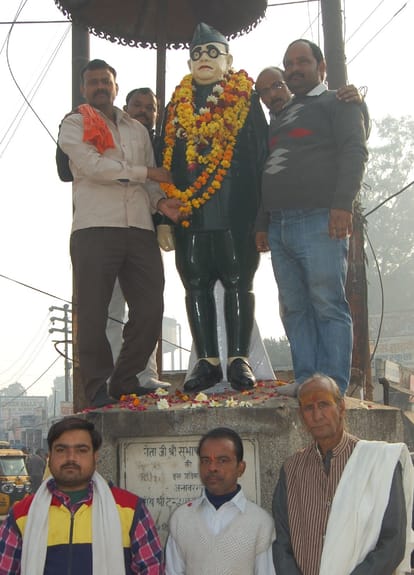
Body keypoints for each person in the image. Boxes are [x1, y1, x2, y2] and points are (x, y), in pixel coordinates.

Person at [58, 59, 181, 407]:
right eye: (93, 82)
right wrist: (147, 174)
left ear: (115, 87)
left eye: (105, 81)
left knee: (151, 307)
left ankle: (126, 377)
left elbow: (151, 184)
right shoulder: (75, 123)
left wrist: (162, 204)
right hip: (95, 227)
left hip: (139, 227)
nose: (100, 87)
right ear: (83, 89)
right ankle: (97, 386)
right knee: (93, 313)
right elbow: (94, 167)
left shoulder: (137, 130)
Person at [255, 40, 369, 397]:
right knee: (293, 308)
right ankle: (307, 380)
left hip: (321, 218)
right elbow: (268, 169)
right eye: (288, 64)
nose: (294, 69)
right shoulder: (282, 114)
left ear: (321, 67)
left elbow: (355, 149)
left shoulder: (339, 101)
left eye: (302, 62)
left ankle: (332, 387)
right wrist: (262, 223)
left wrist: (342, 204)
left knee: (327, 302)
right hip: (280, 224)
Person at [160, 23, 269, 393]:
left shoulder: (246, 100)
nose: (203, 59)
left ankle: (239, 359)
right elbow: (163, 161)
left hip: (236, 212)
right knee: (196, 284)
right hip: (189, 215)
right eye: (197, 54)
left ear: (228, 60)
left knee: (239, 280)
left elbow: (261, 158)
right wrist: (162, 218)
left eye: (212, 52)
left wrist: (263, 215)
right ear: (189, 62)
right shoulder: (175, 107)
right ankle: (207, 362)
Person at [272, 374, 414, 575]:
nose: (317, 415)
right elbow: (282, 543)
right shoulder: (291, 470)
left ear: (341, 407)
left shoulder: (379, 462)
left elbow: (392, 542)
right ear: (301, 416)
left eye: (324, 404)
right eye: (309, 408)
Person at [0, 416, 164, 574]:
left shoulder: (131, 509)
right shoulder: (22, 514)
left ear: (95, 456)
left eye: (81, 450)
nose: (71, 458)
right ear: (50, 456)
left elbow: (152, 569)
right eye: (61, 450)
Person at [106, 86, 170, 391]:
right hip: (105, 229)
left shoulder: (158, 142)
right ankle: (113, 377)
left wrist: (163, 215)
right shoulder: (109, 134)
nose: (144, 111)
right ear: (126, 107)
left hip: (144, 232)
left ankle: (144, 375)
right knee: (111, 310)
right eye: (138, 105)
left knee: (147, 309)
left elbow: (156, 185)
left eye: (151, 107)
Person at [165, 427, 275, 575]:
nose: (212, 468)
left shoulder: (260, 522)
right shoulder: (182, 518)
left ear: (241, 468)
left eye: (222, 460)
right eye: (205, 461)